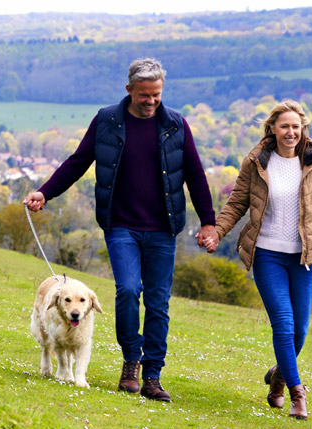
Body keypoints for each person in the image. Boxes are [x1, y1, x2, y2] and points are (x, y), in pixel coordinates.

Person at [24, 58, 218, 402]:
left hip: (163, 228)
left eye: (156, 94)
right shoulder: (107, 121)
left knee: (158, 302)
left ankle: (152, 376)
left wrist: (208, 222)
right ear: (129, 90)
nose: (151, 101)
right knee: (128, 290)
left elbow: (195, 173)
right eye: (144, 94)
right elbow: (78, 160)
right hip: (121, 225)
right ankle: (131, 363)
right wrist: (45, 192)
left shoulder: (176, 125)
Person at [202, 101, 312, 420]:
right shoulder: (257, 162)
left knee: (300, 330)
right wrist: (217, 232)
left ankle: (277, 379)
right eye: (284, 126)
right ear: (273, 129)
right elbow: (237, 203)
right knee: (284, 323)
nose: (290, 132)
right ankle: (296, 393)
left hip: (303, 256)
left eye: (296, 127)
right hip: (267, 254)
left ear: (302, 129)